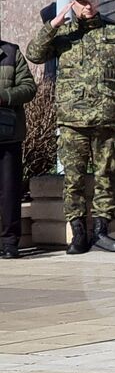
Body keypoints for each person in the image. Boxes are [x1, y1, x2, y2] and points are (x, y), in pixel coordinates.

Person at [26, 0, 115, 255]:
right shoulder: (64, 34)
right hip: (72, 120)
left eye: (92, 1)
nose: (88, 6)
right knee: (73, 179)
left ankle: (101, 232)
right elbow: (34, 54)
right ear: (73, 4)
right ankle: (78, 233)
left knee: (105, 176)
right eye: (82, 2)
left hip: (106, 118)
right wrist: (52, 25)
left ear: (98, 3)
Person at [0, 34, 37, 259]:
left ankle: (9, 242)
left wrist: (4, 96)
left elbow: (29, 87)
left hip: (8, 135)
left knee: (9, 192)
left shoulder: (11, 53)